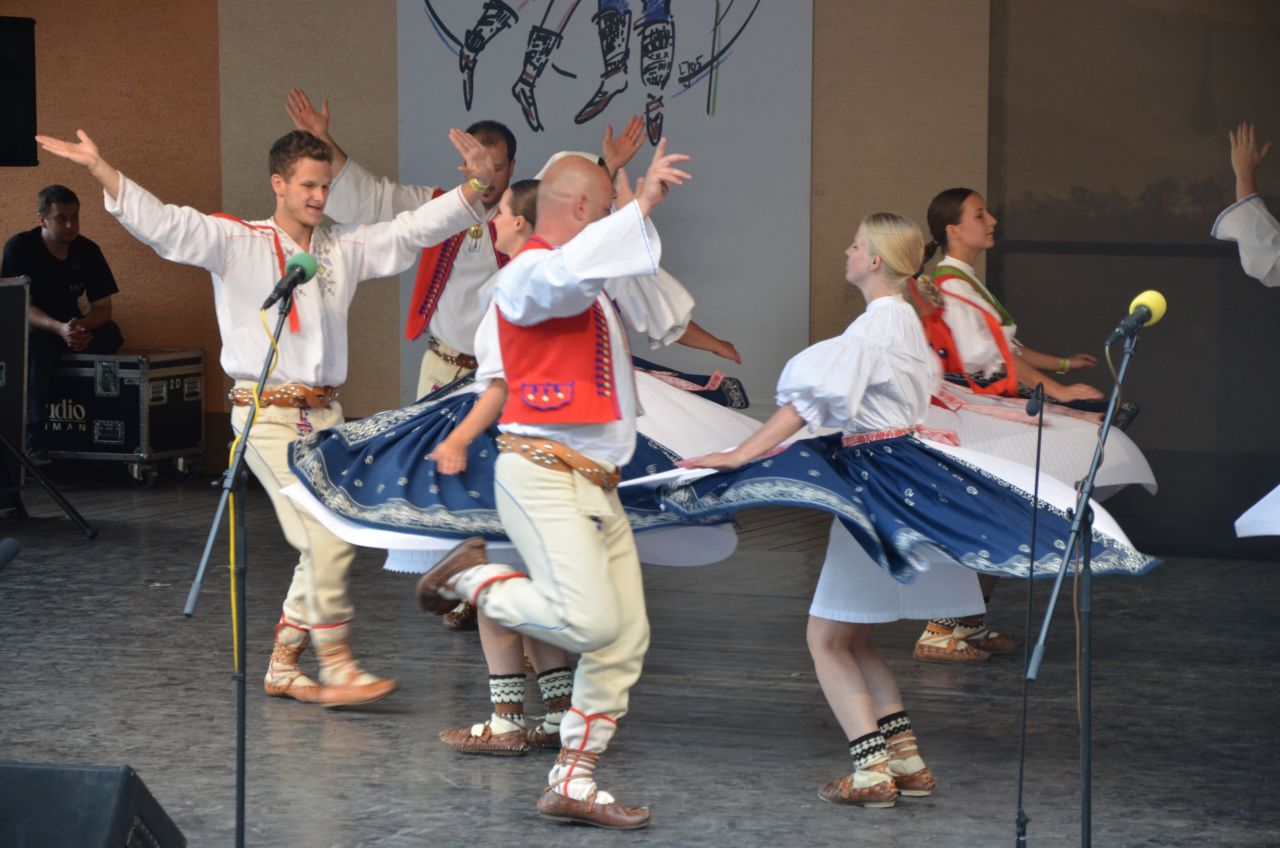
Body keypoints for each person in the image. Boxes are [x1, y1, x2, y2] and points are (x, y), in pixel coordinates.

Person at [668, 213, 1157, 807]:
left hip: (880, 486)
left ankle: (871, 773)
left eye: (854, 245)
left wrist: (741, 453)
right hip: (898, 476)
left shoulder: (877, 326)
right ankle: (907, 762)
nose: (846, 252)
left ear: (875, 260)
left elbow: (808, 404)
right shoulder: (905, 323)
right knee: (853, 639)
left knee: (827, 640)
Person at [34, 125, 497, 708]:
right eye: (308, 186)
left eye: (325, 186)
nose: (320, 197)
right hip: (267, 416)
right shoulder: (237, 240)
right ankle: (337, 662)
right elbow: (165, 225)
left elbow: (411, 230)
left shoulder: (340, 247)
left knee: (328, 538)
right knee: (326, 537)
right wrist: (101, 169)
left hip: (326, 418)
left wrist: (476, 186)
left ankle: (284, 663)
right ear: (278, 184)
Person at [412, 142, 692, 829]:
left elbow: (624, 291)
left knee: (624, 638)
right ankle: (471, 579)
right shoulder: (530, 276)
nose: (612, 219)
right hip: (542, 474)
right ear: (581, 208)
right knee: (589, 621)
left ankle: (573, 777)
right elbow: (558, 282)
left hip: (594, 485)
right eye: (605, 208)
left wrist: (637, 211)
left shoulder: (585, 287)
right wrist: (640, 206)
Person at [2, 184, 124, 459]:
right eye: (61, 218)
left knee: (112, 333)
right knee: (34, 344)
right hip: (38, 328)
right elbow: (21, 307)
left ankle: (94, 420)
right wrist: (59, 329)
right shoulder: (19, 247)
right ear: (42, 219)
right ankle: (34, 437)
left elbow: (103, 308)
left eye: (75, 217)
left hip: (74, 329)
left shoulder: (88, 250)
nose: (70, 225)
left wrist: (79, 328)